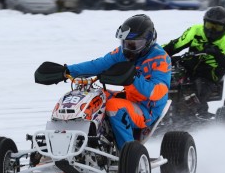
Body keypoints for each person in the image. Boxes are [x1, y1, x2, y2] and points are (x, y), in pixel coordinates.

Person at [65, 14, 171, 151]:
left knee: (115, 107)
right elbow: (98, 65)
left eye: (133, 44)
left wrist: (133, 78)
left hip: (147, 109)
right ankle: (79, 144)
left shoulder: (160, 59)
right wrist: (66, 70)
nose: (128, 48)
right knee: (92, 96)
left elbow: (158, 92)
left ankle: (126, 153)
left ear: (148, 41)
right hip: (130, 98)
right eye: (125, 43)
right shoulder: (122, 53)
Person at [162, 6, 225, 119]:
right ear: (204, 23)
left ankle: (198, 113)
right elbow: (174, 45)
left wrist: (216, 53)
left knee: (199, 86)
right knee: (167, 78)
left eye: (216, 27)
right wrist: (155, 53)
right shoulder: (195, 31)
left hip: (211, 72)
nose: (211, 30)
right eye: (209, 25)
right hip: (188, 65)